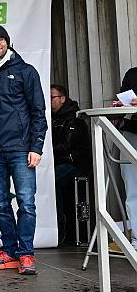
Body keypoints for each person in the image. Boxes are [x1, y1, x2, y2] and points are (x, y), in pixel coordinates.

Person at [0, 25, 47, 275]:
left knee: (26, 204)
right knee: (1, 205)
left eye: (0, 39)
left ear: (7, 42)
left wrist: (36, 146)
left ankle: (26, 254)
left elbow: (39, 112)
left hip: (21, 149)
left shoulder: (26, 71)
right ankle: (9, 252)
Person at [50, 84, 90, 244]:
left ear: (62, 98)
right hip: (60, 163)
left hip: (75, 165)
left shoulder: (74, 118)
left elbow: (65, 148)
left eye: (52, 97)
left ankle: (59, 228)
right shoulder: (51, 118)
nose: (49, 101)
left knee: (50, 182)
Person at [117, 67, 137, 250]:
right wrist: (119, 106)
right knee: (132, 188)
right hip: (132, 130)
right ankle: (136, 238)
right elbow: (124, 100)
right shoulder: (132, 73)